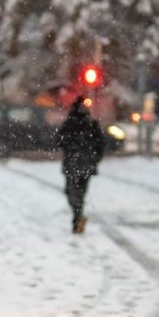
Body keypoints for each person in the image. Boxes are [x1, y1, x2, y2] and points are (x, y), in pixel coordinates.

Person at [55, 97, 106, 233]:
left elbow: (59, 141)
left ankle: (78, 217)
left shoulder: (70, 124)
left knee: (72, 192)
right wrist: (94, 159)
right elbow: (101, 145)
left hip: (73, 164)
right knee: (80, 192)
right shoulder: (91, 124)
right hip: (86, 164)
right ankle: (78, 216)